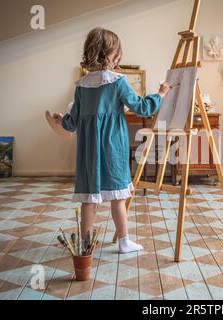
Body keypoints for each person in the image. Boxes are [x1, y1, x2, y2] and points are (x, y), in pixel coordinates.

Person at [53, 27, 172, 253]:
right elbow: (142, 108)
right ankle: (124, 241)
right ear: (111, 55)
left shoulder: (82, 85)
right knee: (118, 196)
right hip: (113, 148)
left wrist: (62, 120)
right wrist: (161, 94)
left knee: (89, 198)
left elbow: (73, 121)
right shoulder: (118, 82)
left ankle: (85, 246)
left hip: (89, 151)